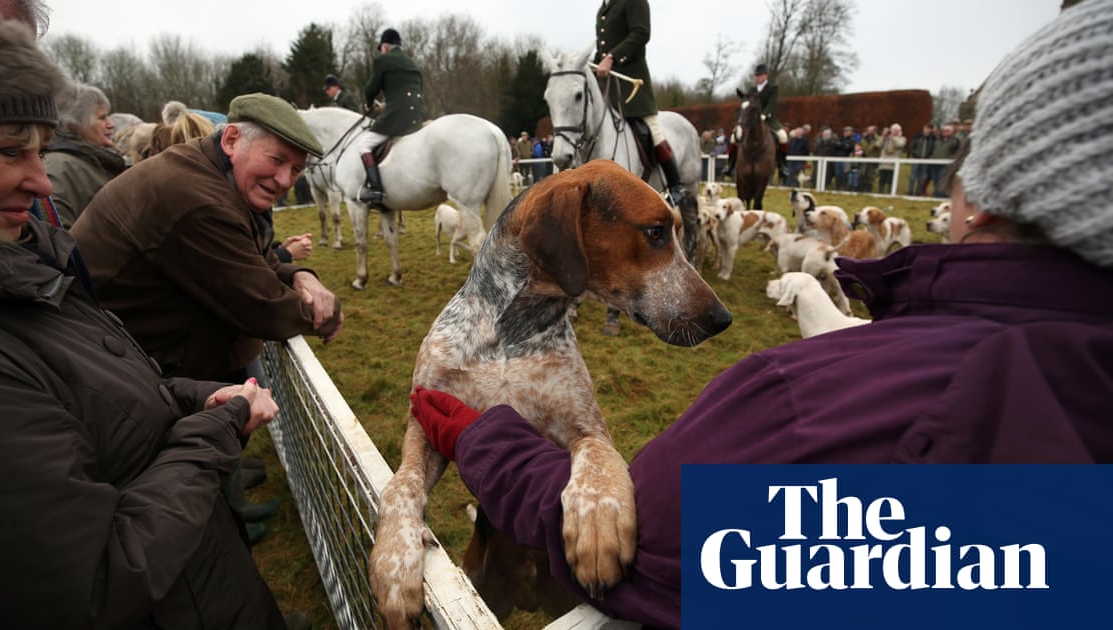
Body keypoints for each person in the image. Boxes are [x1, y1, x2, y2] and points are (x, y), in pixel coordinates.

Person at [405, 1, 1113, 626]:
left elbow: (641, 541)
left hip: (628, 94)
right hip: (596, 90)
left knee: (654, 137)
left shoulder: (800, 397)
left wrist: (485, 444)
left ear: (986, 193)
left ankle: (674, 185)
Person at [0, 8, 298, 628]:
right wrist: (218, 427)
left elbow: (95, 392)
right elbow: (88, 580)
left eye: (39, 150)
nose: (41, 182)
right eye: (10, 150)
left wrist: (193, 397)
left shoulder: (10, 265)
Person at [71, 92, 342, 382]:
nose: (285, 181)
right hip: (117, 375)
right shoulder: (200, 201)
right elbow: (263, 306)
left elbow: (256, 260)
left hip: (134, 359)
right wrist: (327, 314)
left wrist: (301, 275)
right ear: (231, 140)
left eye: (296, 170)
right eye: (277, 159)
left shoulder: (206, 169)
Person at [593, 0, 692, 209]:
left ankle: (676, 185)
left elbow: (641, 33)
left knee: (654, 129)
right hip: (608, 85)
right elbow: (602, 46)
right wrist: (595, 63)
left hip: (632, 83)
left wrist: (612, 57)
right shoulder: (605, 7)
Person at [356, 28, 429, 205]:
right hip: (418, 115)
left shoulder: (383, 60)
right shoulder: (412, 63)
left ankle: (376, 190)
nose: (380, 51)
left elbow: (371, 88)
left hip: (398, 117)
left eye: (381, 48)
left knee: (364, 144)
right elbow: (404, 92)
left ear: (386, 47)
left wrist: (370, 103)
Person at [42, 81, 126, 227]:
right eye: (102, 117)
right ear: (75, 124)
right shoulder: (59, 167)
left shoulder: (94, 161)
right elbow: (57, 237)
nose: (111, 124)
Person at [722, 63, 789, 180]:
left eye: (759, 75)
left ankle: (782, 166)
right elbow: (746, 105)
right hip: (751, 121)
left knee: (783, 136)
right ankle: (730, 165)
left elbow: (772, 104)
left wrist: (764, 114)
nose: (757, 78)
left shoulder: (772, 89)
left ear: (765, 76)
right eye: (756, 75)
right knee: (734, 137)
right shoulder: (752, 90)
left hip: (768, 120)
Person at [928, 123, 962, 197]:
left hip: (946, 164)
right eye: (943, 131)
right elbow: (931, 150)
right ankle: (936, 194)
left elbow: (958, 152)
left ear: (951, 132)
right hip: (934, 163)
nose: (945, 132)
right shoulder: (936, 141)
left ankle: (942, 194)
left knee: (942, 179)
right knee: (935, 179)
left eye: (947, 131)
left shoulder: (955, 141)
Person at [906, 122, 937, 195]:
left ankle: (918, 192)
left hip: (926, 160)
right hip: (916, 158)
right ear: (924, 128)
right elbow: (911, 146)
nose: (927, 130)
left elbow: (934, 149)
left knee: (922, 177)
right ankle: (910, 191)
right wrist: (915, 153)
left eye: (929, 129)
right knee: (913, 176)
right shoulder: (918, 136)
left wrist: (930, 156)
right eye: (926, 128)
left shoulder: (933, 138)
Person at [876, 122, 906, 193]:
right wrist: (883, 136)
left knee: (891, 180)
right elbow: (878, 145)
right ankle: (880, 192)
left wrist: (892, 137)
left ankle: (890, 193)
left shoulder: (902, 138)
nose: (894, 131)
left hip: (893, 164)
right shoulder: (886, 139)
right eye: (893, 129)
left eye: (896, 130)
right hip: (883, 163)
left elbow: (899, 145)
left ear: (899, 131)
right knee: (882, 179)